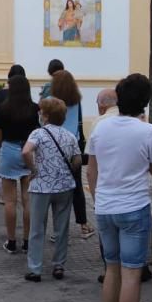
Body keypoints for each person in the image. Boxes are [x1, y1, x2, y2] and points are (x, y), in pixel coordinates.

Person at [87, 75, 152, 302]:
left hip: (105, 207)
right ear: (144, 102)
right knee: (132, 274)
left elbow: (91, 170)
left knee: (112, 270)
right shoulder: (146, 131)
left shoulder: (101, 128)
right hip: (134, 206)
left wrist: (97, 199)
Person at [24, 97, 82, 281]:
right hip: (64, 187)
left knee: (37, 228)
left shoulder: (38, 134)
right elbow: (78, 160)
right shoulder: (70, 135)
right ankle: (59, 265)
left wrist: (33, 169)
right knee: (62, 228)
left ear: (46, 116)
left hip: (41, 186)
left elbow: (26, 151)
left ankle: (35, 268)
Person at [0, 74, 39, 254]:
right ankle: (27, 241)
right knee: (28, 200)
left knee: (9, 201)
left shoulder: (3, 108)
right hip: (28, 150)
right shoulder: (34, 108)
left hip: (9, 149)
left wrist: (2, 143)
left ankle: (11, 241)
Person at [51, 69, 93, 238]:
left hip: (55, 146)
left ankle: (57, 230)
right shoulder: (77, 102)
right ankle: (83, 225)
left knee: (56, 189)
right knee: (76, 188)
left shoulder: (49, 101)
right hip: (73, 146)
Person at [0, 64, 26, 200]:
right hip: (22, 137)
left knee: (3, 164)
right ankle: (24, 196)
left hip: (5, 134)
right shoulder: (26, 95)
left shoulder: (2, 93)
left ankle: (6, 195)